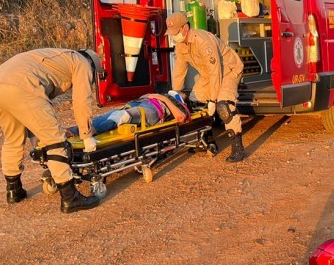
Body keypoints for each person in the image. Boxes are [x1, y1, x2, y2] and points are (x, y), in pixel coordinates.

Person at [0, 47, 103, 213]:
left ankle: (14, 190)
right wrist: (86, 134)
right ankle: (70, 198)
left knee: (12, 138)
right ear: (93, 65)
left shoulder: (57, 57)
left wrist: (38, 138)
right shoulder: (83, 63)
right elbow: (81, 101)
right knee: (55, 141)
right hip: (22, 84)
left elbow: (32, 112)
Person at [166, 11, 247, 162]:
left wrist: (212, 99)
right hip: (209, 75)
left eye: (175, 32)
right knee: (194, 101)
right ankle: (206, 140)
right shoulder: (181, 45)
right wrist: (176, 93)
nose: (173, 36)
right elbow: (179, 70)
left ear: (185, 28)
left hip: (228, 70)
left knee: (223, 105)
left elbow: (216, 72)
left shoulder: (203, 41)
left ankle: (238, 147)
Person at [69, 91, 191, 135]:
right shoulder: (167, 95)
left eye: (183, 94)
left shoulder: (180, 104)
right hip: (142, 103)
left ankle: (94, 132)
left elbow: (181, 117)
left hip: (154, 110)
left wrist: (163, 98)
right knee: (105, 116)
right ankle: (72, 131)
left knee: (122, 116)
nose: (181, 93)